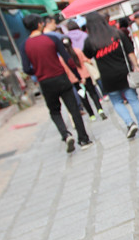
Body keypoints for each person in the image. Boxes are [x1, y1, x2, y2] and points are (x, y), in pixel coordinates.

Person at [21, 14, 93, 152]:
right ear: (39, 24)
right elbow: (68, 59)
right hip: (61, 78)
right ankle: (83, 139)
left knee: (54, 111)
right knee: (73, 108)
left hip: (45, 82)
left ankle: (65, 135)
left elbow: (25, 68)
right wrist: (77, 75)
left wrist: (37, 71)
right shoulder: (52, 38)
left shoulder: (24, 45)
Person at [82, 12, 139, 139]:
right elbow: (130, 51)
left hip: (107, 77)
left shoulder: (90, 41)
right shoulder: (117, 33)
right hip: (124, 72)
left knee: (117, 102)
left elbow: (87, 55)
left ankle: (130, 124)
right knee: (133, 99)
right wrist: (136, 66)